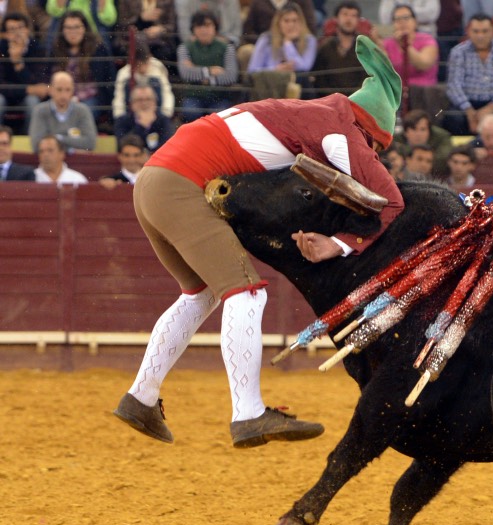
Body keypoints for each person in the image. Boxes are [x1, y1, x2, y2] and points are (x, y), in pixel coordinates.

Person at [113, 35, 404, 448]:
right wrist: (341, 244)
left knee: (199, 295)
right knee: (246, 295)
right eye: (375, 147)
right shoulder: (340, 129)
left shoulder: (309, 115)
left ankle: (140, 398)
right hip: (180, 186)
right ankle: (248, 413)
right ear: (369, 128)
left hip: (153, 181)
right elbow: (390, 202)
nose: (371, 155)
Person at [444, 13, 493, 136]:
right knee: (453, 118)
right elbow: (453, 86)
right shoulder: (458, 52)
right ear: (468, 31)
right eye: (476, 31)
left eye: (485, 31)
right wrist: (469, 111)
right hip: (466, 104)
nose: (480, 36)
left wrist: (491, 108)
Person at [49, 10, 115, 121]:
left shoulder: (98, 49)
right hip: (61, 97)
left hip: (90, 97)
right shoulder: (55, 50)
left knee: (83, 111)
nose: (72, 32)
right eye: (68, 28)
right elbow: (48, 77)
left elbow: (108, 78)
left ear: (85, 28)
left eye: (77, 27)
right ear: (62, 30)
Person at [177, 10, 239, 122]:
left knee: (221, 115)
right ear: (193, 29)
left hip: (220, 97)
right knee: (190, 112)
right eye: (199, 26)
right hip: (193, 96)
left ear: (215, 27)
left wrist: (201, 75)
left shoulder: (227, 48)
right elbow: (185, 73)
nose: (203, 30)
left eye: (208, 25)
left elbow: (231, 76)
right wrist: (210, 71)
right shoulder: (184, 48)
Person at [0, 12, 49, 130]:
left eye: (20, 28)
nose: (17, 33)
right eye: (12, 29)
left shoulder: (38, 48)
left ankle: (31, 142)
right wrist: (27, 89)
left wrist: (18, 63)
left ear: (27, 30)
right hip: (6, 96)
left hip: (27, 97)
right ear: (6, 34)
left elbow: (39, 85)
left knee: (32, 102)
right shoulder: (1, 48)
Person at [28, 70, 97, 152]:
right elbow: (36, 145)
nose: (63, 95)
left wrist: (57, 138)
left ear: (73, 91)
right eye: (59, 90)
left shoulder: (83, 110)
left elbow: (90, 143)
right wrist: (73, 147)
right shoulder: (40, 111)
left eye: (67, 90)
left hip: (77, 163)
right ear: (51, 89)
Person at [311, 1, 368, 96]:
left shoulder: (364, 47)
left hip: (359, 102)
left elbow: (368, 79)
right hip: (329, 102)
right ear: (336, 18)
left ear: (358, 20)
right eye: (345, 14)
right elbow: (319, 80)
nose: (349, 19)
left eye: (353, 16)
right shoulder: (325, 47)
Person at [246, 3, 316, 80]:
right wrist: (276, 70)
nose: (291, 25)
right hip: (271, 82)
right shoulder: (266, 39)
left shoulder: (309, 40)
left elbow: (304, 68)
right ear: (278, 23)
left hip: (298, 83)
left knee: (302, 77)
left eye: (295, 20)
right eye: (286, 21)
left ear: (301, 22)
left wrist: (287, 43)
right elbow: (252, 70)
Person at [111, 39, 175, 121]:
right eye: (139, 65)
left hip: (156, 115)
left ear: (149, 58)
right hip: (132, 116)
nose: (143, 68)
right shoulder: (124, 74)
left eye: (145, 63)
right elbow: (119, 97)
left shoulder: (157, 67)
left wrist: (165, 115)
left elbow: (166, 92)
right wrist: (120, 118)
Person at [382, 4, 439, 87]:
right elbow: (383, 71)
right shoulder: (387, 43)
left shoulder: (427, 40)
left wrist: (405, 46)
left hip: (423, 91)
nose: (402, 22)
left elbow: (423, 64)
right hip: (396, 91)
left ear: (415, 22)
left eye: (406, 18)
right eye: (397, 19)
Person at [113, 84, 175, 152]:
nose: (144, 103)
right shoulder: (122, 121)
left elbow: (167, 146)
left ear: (155, 102)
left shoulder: (164, 120)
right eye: (139, 100)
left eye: (148, 99)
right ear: (132, 103)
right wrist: (141, 126)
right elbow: (123, 146)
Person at [114, 0, 176, 64]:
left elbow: (171, 25)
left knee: (164, 51)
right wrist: (141, 18)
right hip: (134, 41)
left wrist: (160, 29)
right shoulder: (126, 1)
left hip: (159, 42)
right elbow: (122, 25)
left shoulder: (167, 1)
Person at [394, 108, 451, 176]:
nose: (418, 134)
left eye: (423, 129)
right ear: (405, 132)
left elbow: (444, 158)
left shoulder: (442, 137)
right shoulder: (394, 140)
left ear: (429, 131)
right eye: (414, 129)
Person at [45, 0, 116, 50]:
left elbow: (109, 19)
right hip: (65, 37)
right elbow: (54, 11)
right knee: (55, 38)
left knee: (102, 44)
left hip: (93, 37)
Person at [241, 0, 316, 46]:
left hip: (296, 44)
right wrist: (269, 41)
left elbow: (310, 28)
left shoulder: (302, 1)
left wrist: (290, 41)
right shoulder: (258, 2)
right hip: (265, 43)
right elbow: (247, 32)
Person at [176, 0, 241, 46]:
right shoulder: (184, 2)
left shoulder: (231, 1)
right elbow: (185, 35)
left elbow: (236, 34)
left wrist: (221, 7)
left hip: (225, 46)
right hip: (195, 46)